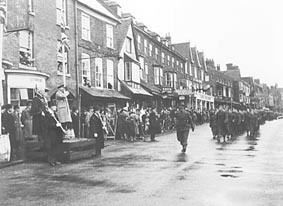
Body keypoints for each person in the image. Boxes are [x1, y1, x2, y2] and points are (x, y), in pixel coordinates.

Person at [44, 100, 64, 166]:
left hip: (55, 132)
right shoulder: (47, 114)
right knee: (51, 147)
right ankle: (51, 160)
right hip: (50, 133)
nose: (55, 107)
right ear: (51, 107)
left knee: (55, 146)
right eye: (54, 106)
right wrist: (55, 125)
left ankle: (55, 160)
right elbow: (47, 124)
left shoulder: (54, 114)